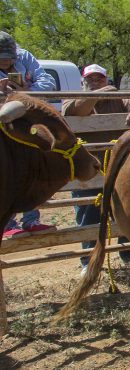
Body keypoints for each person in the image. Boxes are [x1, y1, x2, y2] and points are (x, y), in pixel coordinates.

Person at [61, 64, 130, 274]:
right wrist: (101, 92)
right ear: (83, 82)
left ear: (106, 79)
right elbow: (75, 110)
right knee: (88, 213)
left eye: (99, 79)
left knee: (124, 210)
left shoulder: (117, 99)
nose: (94, 82)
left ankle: (128, 252)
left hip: (118, 167)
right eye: (90, 79)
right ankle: (89, 261)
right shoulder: (72, 97)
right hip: (88, 170)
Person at [0, 31, 57, 238]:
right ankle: (7, 223)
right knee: (7, 171)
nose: (6, 63)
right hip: (3, 127)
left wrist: (24, 91)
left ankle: (31, 220)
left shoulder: (25, 57)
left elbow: (47, 82)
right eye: (2, 59)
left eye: (9, 58)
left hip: (27, 122)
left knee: (30, 168)